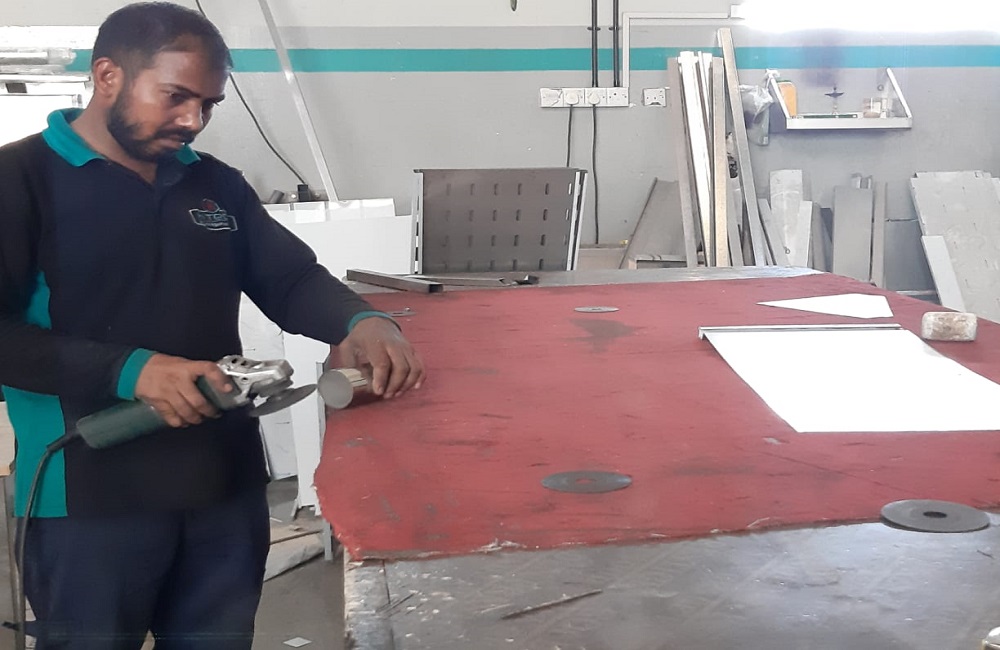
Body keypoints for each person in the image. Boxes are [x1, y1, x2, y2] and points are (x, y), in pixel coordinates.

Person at [0, 2, 424, 648]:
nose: (193, 121)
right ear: (108, 76)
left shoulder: (214, 185)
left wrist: (361, 320)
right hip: (87, 500)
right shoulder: (20, 181)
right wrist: (132, 371)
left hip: (223, 492)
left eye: (208, 104)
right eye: (175, 97)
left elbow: (289, 278)